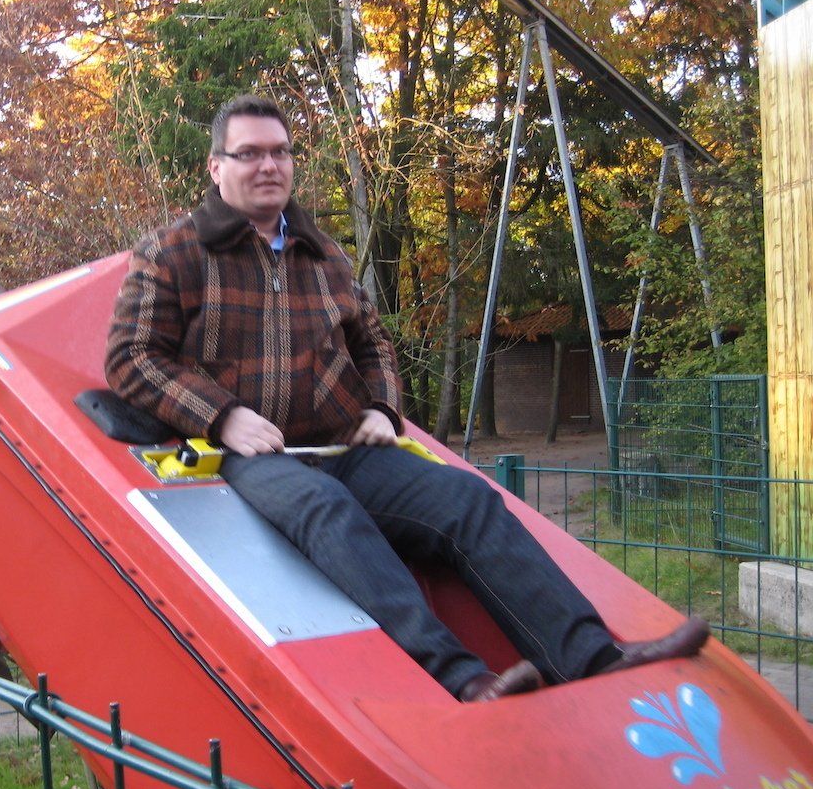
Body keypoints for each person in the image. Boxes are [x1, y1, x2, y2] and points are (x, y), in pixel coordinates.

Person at [105, 93, 709, 702]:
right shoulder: (173, 252)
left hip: (341, 447)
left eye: (280, 152)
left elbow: (374, 346)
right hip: (248, 457)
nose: (269, 165)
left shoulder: (326, 256)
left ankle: (593, 657)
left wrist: (381, 407)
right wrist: (223, 416)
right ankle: (464, 678)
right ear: (217, 167)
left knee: (467, 499)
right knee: (327, 508)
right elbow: (131, 358)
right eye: (250, 153)